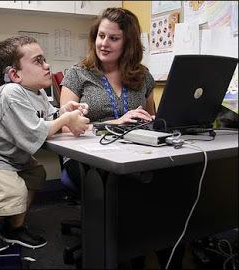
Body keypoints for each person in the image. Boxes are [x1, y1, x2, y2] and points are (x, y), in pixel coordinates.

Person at [60, 7, 185, 269]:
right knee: (131, 188)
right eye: (101, 36)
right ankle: (124, 254)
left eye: (113, 38)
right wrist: (114, 123)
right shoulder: (77, 74)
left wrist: (152, 122)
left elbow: (153, 119)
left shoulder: (143, 76)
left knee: (173, 183)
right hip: (86, 156)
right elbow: (65, 128)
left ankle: (167, 255)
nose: (104, 44)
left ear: (127, 43)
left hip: (135, 151)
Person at [0, 35, 90, 254]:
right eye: (38, 61)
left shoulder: (36, 93)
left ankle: (14, 228)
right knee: (14, 190)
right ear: (14, 74)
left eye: (44, 59)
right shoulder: (10, 93)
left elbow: (46, 119)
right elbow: (34, 134)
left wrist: (64, 111)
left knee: (36, 174)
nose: (47, 65)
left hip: (9, 156)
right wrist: (66, 120)